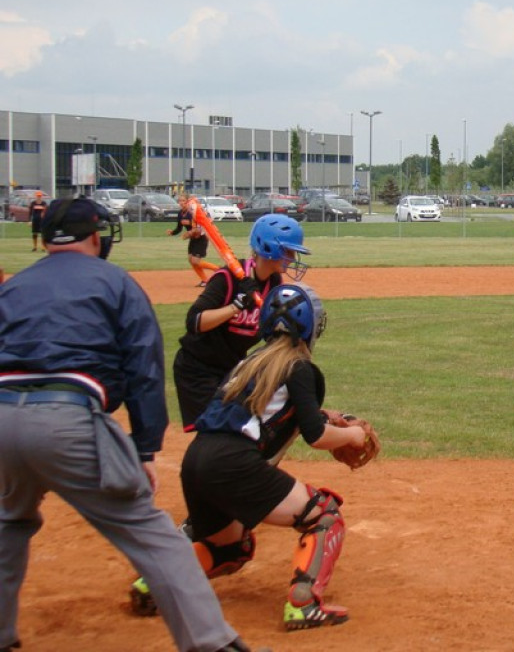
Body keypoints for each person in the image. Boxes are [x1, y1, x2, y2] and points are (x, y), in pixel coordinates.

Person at [0, 197, 258, 652]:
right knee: (152, 534)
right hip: (65, 419)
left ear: (43, 240)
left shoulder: (14, 286)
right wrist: (143, 450)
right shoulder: (115, 282)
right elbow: (144, 369)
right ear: (97, 237)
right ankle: (212, 644)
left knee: (8, 523)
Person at [130, 283, 371, 632]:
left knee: (230, 549)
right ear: (310, 327)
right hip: (233, 464)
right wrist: (352, 434)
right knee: (325, 516)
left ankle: (154, 584)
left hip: (197, 460)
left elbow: (268, 412)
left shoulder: (247, 362)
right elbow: (315, 435)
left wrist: (321, 415)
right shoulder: (300, 368)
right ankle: (304, 604)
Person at [173, 214, 310, 432]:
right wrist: (236, 306)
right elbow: (195, 321)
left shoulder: (273, 282)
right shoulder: (226, 278)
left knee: (240, 429)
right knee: (215, 433)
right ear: (268, 248)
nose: (292, 258)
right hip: (198, 368)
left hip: (232, 369)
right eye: (288, 251)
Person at [169, 195, 219, 286]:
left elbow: (199, 230)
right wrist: (172, 232)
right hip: (193, 239)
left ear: (187, 202)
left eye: (183, 200)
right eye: (179, 201)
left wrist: (190, 233)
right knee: (190, 260)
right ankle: (205, 280)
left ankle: (218, 269)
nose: (181, 202)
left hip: (201, 238)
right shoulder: (180, 214)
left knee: (196, 261)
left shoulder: (192, 213)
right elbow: (179, 228)